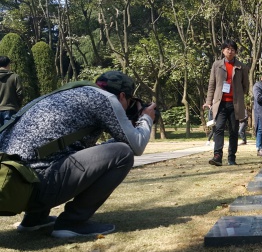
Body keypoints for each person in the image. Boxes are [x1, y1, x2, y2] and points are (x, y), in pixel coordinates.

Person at [0, 71, 156, 238]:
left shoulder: (68, 94)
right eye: (130, 102)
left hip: (13, 184)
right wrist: (146, 118)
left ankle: (34, 220)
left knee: (49, 155)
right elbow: (136, 146)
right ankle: (72, 223)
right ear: (123, 96)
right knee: (123, 154)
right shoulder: (107, 99)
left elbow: (78, 152)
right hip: (34, 186)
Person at [203, 40, 249, 166]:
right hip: (220, 103)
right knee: (218, 128)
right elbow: (211, 85)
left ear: (235, 52)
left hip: (235, 104)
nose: (230, 51)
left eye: (232, 49)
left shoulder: (241, 66)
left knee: (234, 131)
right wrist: (208, 101)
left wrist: (238, 94)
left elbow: (245, 86)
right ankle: (217, 156)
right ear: (223, 51)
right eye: (227, 49)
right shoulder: (216, 65)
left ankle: (231, 157)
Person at [0, 56, 23, 126]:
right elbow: (20, 93)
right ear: (8, 64)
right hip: (10, 109)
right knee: (9, 134)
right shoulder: (15, 77)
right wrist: (17, 105)